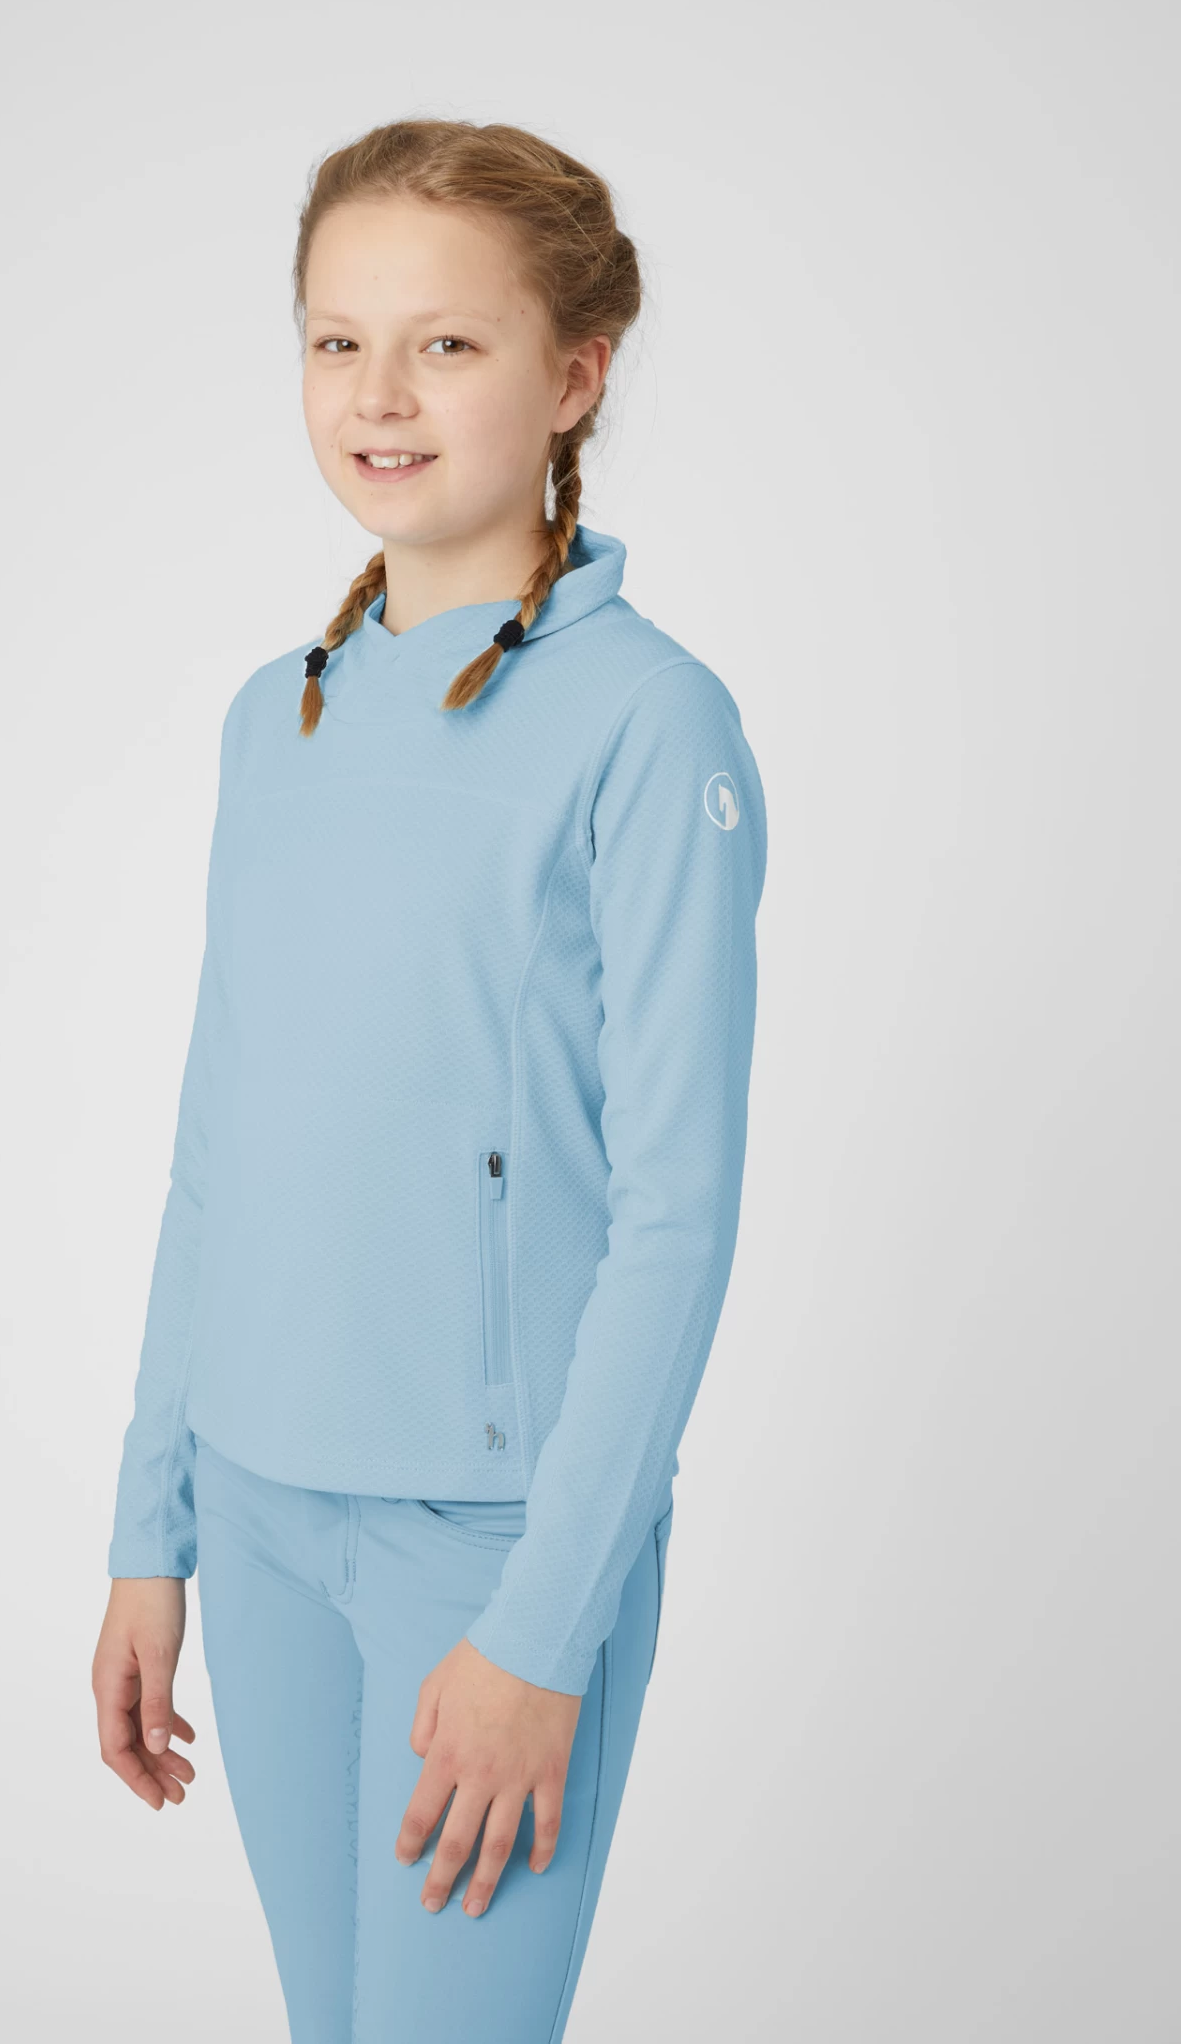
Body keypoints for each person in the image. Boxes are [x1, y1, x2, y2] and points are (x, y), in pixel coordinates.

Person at [90, 117, 768, 2041]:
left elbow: (677, 1214)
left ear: (575, 374)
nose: (377, 395)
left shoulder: (651, 724)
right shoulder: (275, 720)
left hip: (489, 1546)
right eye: (337, 340)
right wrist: (152, 1531)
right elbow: (216, 1153)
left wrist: (541, 1627)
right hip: (259, 1514)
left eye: (446, 344)